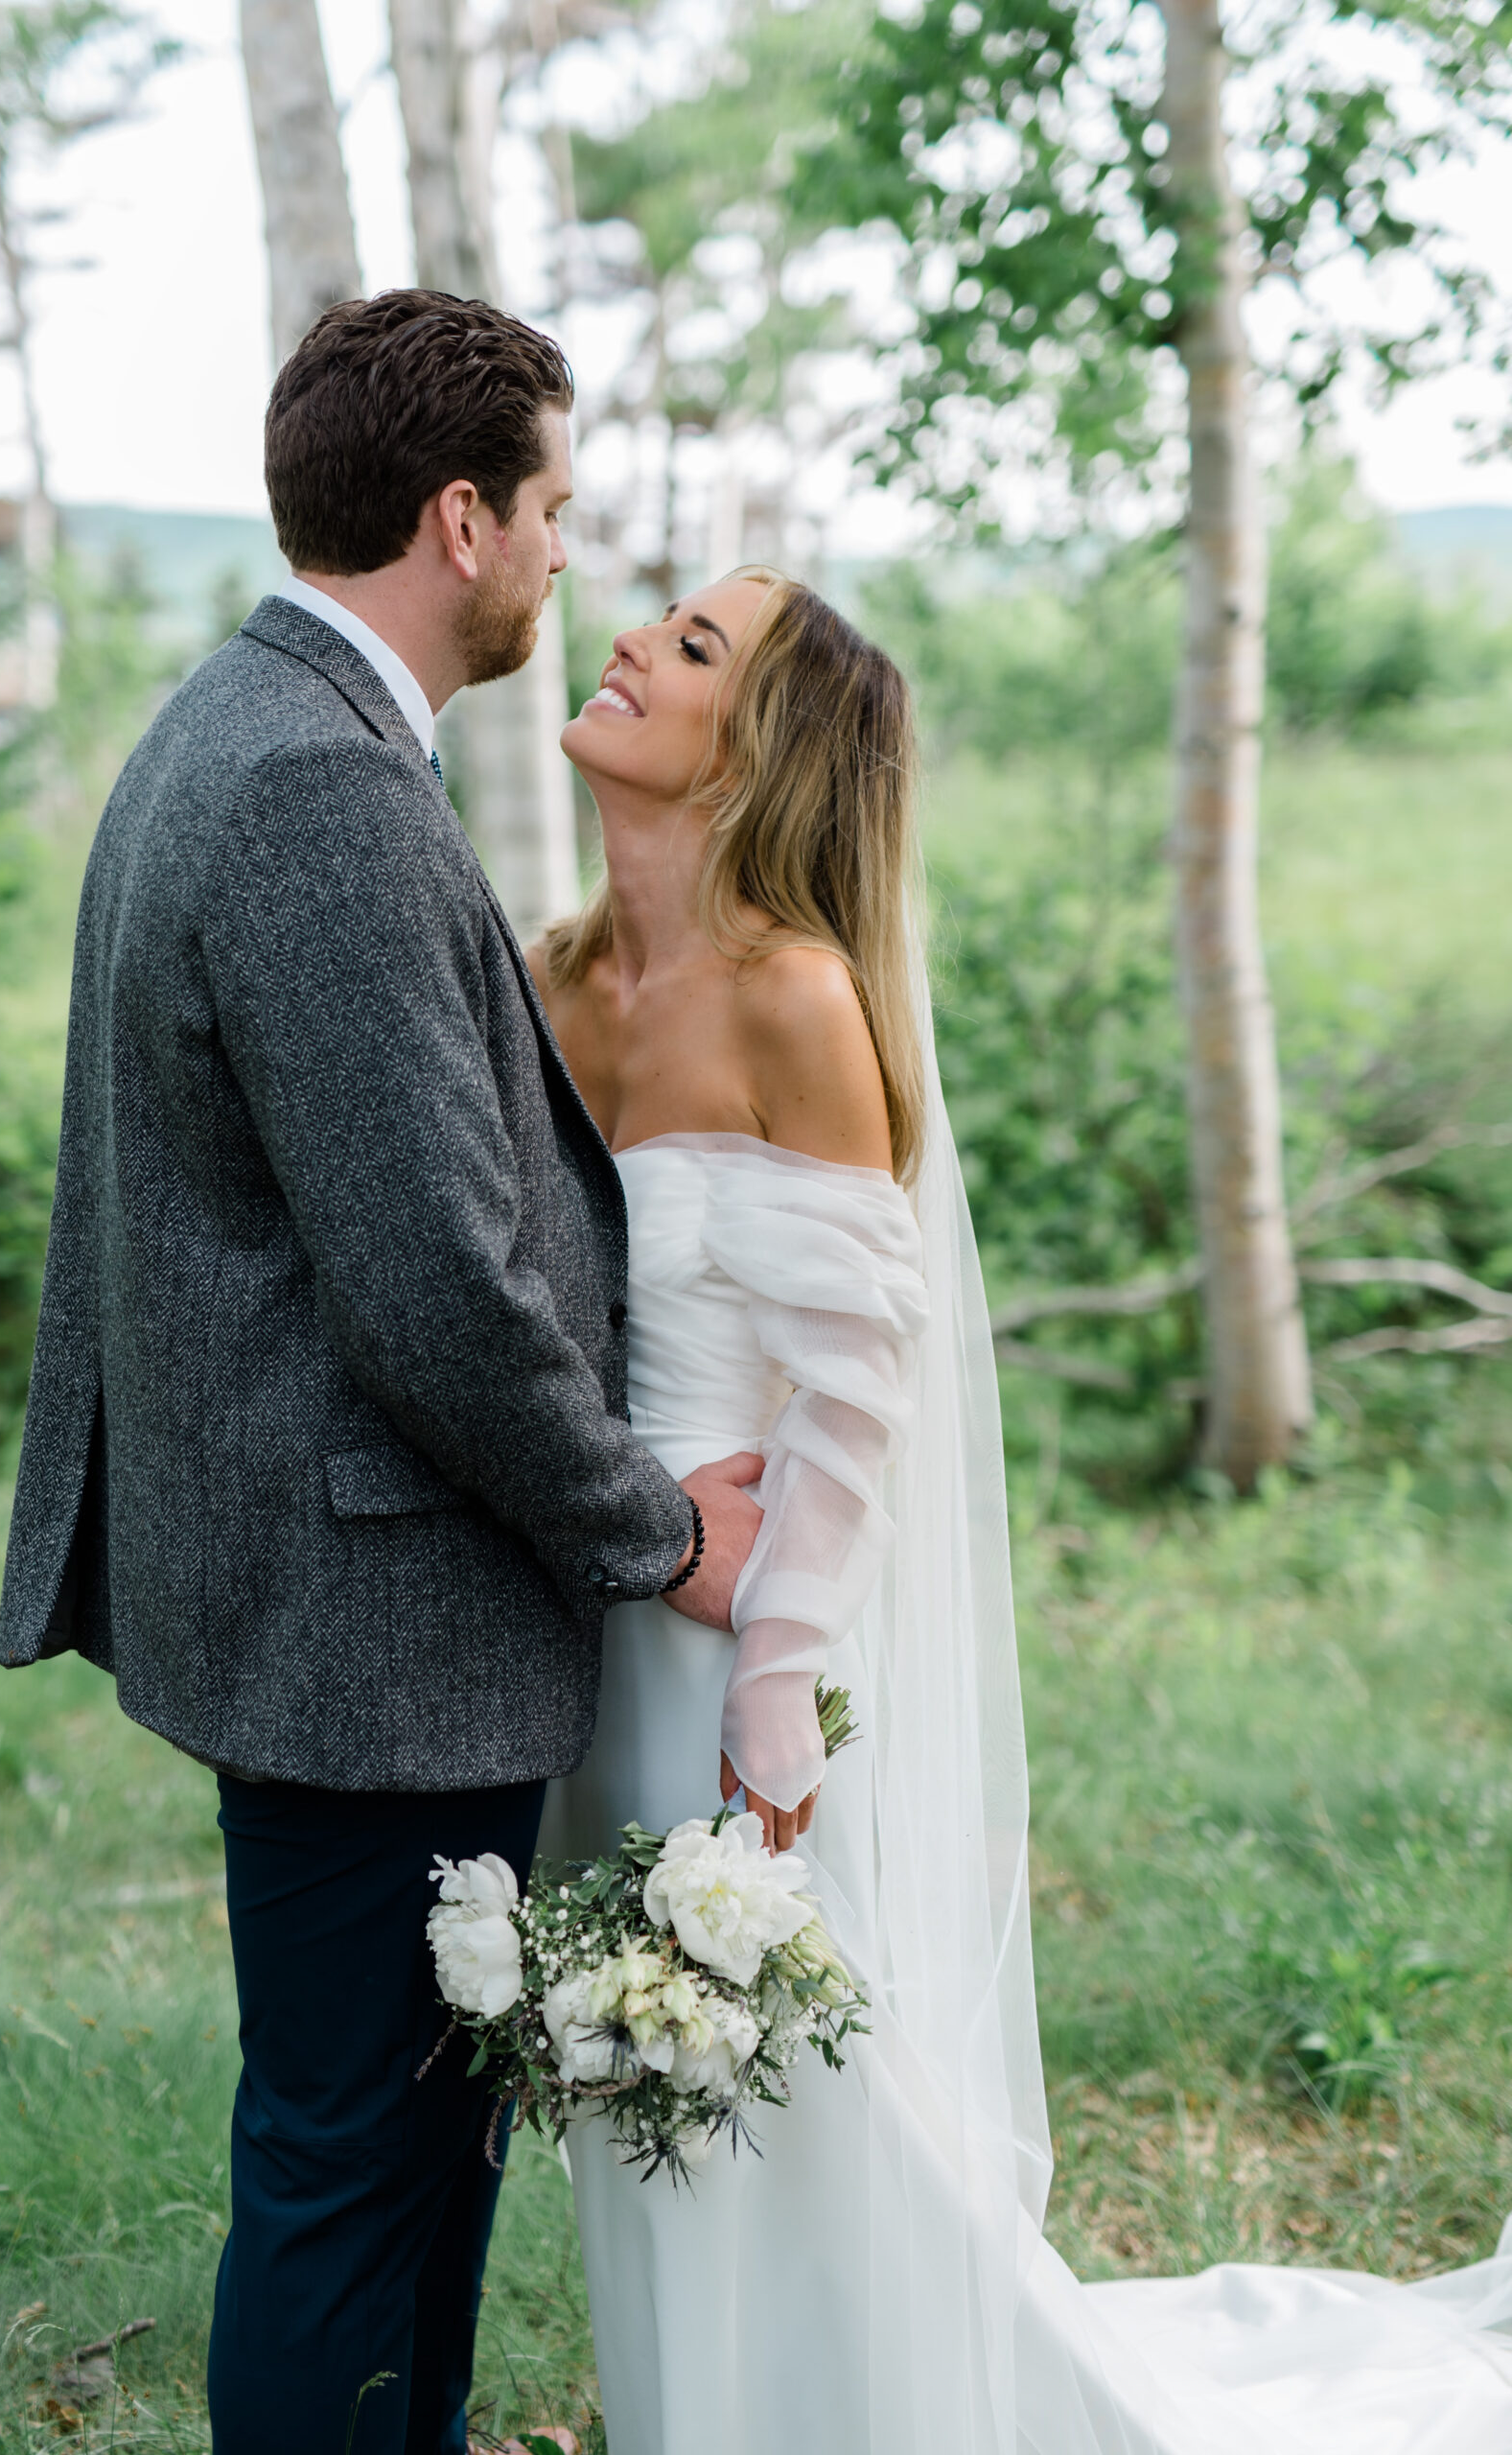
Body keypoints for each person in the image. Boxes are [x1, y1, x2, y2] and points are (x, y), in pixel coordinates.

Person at [533, 568, 1512, 2454]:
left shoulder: (795, 1002)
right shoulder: (558, 973)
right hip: (591, 1610)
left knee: (816, 2090)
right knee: (645, 2082)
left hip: (750, 1636)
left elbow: (856, 1395)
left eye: (698, 643)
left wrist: (778, 1694)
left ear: (754, 753)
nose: (640, 637)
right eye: (661, 610)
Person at [0, 292, 767, 2455]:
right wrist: (653, 1529)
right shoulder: (319, 795)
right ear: (459, 518)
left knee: (408, 2159)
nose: (561, 557)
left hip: (338, 1606)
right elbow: (432, 1277)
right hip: (375, 1627)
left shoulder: (227, 730)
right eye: (553, 510)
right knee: (352, 2171)